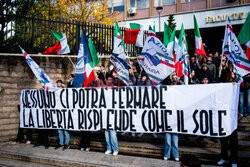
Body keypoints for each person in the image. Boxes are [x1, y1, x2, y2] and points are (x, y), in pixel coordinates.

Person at [104, 72, 119, 156]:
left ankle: (115, 149)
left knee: (113, 134)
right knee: (107, 135)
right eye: (107, 79)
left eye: (110, 79)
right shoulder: (103, 89)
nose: (108, 81)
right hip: (105, 115)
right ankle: (109, 148)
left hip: (113, 115)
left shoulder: (116, 89)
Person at [55, 80, 70, 150]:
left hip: (65, 113)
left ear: (62, 84)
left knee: (65, 130)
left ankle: (66, 143)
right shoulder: (55, 91)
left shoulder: (65, 91)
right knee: (60, 130)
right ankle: (61, 143)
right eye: (57, 83)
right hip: (58, 112)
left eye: (59, 82)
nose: (58, 84)